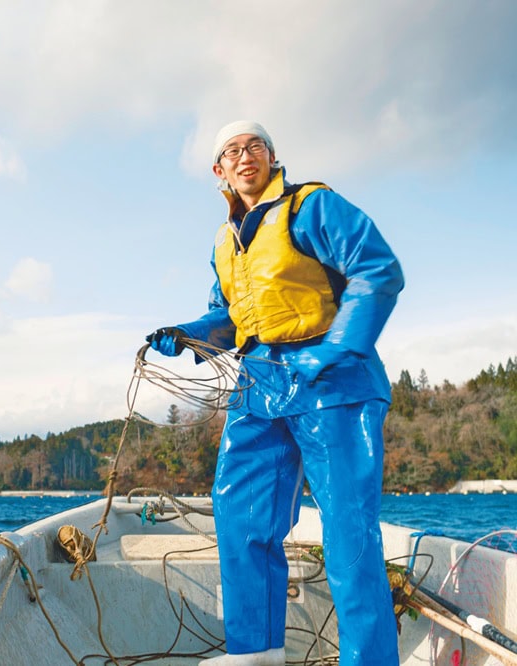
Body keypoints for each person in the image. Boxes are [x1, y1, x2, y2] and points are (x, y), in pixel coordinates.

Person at [146, 120, 404, 665]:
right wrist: (189, 333)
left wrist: (336, 349)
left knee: (348, 534)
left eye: (254, 147)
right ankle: (255, 654)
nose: (245, 157)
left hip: (334, 384)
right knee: (240, 517)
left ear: (270, 156)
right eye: (232, 152)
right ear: (218, 170)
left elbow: (377, 270)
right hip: (258, 385)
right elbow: (230, 315)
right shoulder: (224, 242)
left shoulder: (309, 206)